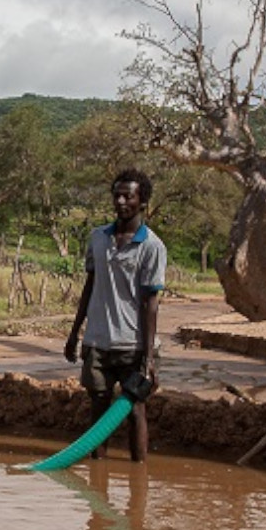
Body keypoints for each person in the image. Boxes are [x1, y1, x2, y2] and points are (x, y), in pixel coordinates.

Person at [63, 168, 167, 462]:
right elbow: (90, 286)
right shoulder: (98, 238)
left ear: (142, 201)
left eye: (128, 196)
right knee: (98, 411)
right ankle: (98, 474)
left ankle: (139, 473)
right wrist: (75, 333)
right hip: (97, 341)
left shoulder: (151, 246)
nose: (121, 202)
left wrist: (148, 357)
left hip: (132, 345)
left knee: (134, 410)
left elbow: (150, 303)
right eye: (117, 196)